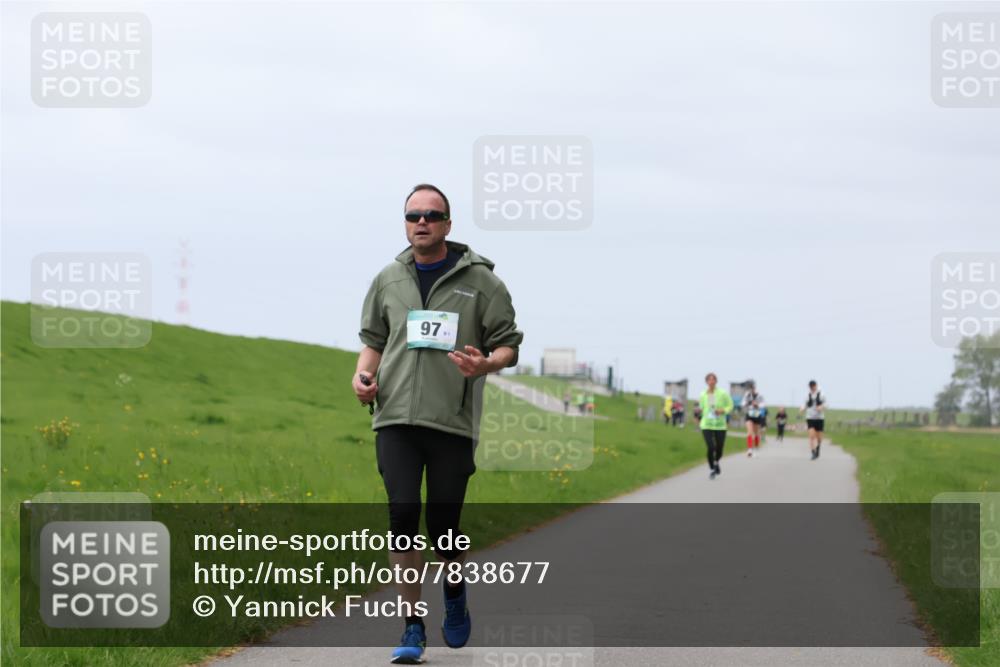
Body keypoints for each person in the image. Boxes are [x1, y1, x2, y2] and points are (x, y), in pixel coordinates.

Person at [354, 183, 523, 664]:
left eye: (432, 214)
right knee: (403, 516)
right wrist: (362, 376)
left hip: (452, 422)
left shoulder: (482, 282)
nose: (421, 222)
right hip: (395, 419)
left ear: (449, 223)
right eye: (413, 215)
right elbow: (373, 339)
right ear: (405, 223)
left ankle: (453, 588)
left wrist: (486, 365)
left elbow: (508, 344)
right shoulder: (389, 279)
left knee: (443, 526)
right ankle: (411, 625)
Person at [699, 372, 733, 480]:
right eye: (709, 380)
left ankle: (716, 461)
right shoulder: (703, 394)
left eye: (713, 379)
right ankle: (712, 468)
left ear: (716, 381)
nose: (711, 381)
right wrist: (704, 414)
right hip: (707, 425)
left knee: (720, 448)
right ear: (706, 382)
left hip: (720, 425)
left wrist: (722, 410)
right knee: (711, 447)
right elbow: (702, 407)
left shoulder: (722, 393)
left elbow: (730, 405)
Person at [801, 380, 826, 460]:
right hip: (810, 417)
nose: (812, 388)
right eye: (810, 387)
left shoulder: (821, 394)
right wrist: (801, 409)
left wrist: (821, 407)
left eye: (813, 386)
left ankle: (818, 449)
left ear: (816, 385)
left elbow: (827, 404)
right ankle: (813, 452)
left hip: (819, 418)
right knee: (811, 435)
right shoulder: (807, 395)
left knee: (819, 437)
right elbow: (804, 404)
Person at [742, 381, 766, 457]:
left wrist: (757, 405)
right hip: (749, 414)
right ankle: (749, 449)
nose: (750, 389)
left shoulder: (760, 395)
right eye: (749, 388)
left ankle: (755, 448)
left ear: (754, 388)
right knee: (749, 432)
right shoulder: (747, 395)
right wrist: (748, 403)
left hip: (757, 415)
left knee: (756, 433)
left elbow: (763, 404)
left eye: (751, 388)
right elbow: (742, 403)